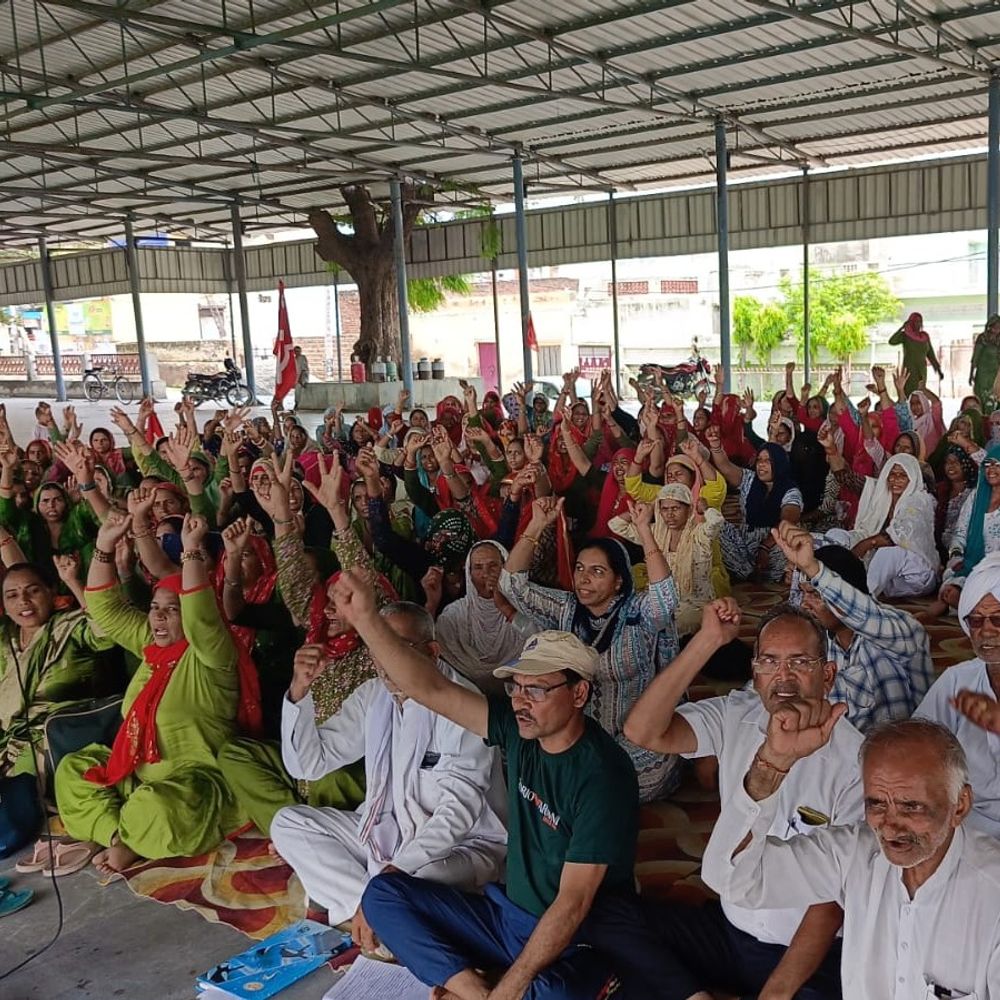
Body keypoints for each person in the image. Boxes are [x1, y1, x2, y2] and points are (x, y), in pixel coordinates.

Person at [328, 579, 638, 1000]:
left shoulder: (602, 776)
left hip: (576, 938)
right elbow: (430, 688)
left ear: (579, 692)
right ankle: (470, 988)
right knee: (383, 894)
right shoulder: (520, 732)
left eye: (537, 689)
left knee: (552, 992)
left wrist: (512, 984)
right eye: (516, 688)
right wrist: (366, 620)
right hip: (509, 918)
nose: (521, 701)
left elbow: (573, 904)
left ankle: (494, 984)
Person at [621, 600, 863, 1000]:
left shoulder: (855, 760)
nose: (783, 677)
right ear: (755, 673)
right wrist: (706, 640)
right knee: (611, 916)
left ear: (828, 674)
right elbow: (642, 730)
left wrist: (777, 990)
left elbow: (832, 900)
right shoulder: (736, 713)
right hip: (731, 929)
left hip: (805, 957)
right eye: (769, 662)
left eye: (799, 662)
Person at [702, 710, 1000, 998]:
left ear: (959, 805)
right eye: (876, 804)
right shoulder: (856, 853)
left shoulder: (993, 895)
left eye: (912, 806)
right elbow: (734, 877)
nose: (890, 824)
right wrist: (770, 767)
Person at [270, 602, 507, 937]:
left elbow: (459, 812)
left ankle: (377, 914)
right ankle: (382, 918)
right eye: (380, 648)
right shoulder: (374, 696)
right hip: (387, 832)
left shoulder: (462, 703)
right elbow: (309, 763)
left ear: (433, 651)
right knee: (288, 824)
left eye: (401, 648)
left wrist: (394, 871)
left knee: (422, 876)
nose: (387, 661)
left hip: (459, 846)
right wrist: (300, 690)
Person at [55, 511, 256, 875]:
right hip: (135, 772)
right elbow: (104, 606)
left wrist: (192, 551)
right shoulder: (152, 645)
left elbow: (201, 617)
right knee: (72, 770)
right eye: (154, 609)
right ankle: (121, 835)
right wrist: (103, 545)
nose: (159, 619)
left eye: (171, 611)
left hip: (193, 783)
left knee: (160, 809)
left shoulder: (213, 653)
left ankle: (126, 835)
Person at [501, 497, 682, 801]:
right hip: (576, 736)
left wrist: (644, 530)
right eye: (580, 568)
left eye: (598, 572)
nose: (583, 578)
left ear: (619, 581)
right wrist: (536, 524)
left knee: (603, 782)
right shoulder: (566, 608)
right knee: (521, 757)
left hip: (634, 739)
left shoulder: (638, 613)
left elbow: (665, 599)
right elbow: (512, 586)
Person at [0, 560, 117, 858]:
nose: (23, 602)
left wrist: (74, 581)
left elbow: (106, 631)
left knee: (16, 801)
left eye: (32, 590)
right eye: (12, 595)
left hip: (50, 744)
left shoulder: (69, 625)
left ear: (52, 591)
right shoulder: (7, 641)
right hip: (8, 742)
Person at [777, 524, 934, 731]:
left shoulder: (901, 630)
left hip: (902, 753)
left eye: (814, 594)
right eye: (804, 594)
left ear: (844, 592)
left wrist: (814, 569)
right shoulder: (822, 640)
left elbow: (861, 613)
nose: (805, 604)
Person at [914, 553, 1000, 837]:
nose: (986, 631)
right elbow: (919, 739)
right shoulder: (958, 680)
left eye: (997, 620)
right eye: (975, 621)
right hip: (965, 823)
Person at [609, 483, 723, 636]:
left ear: (689, 510)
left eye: (676, 508)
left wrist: (705, 509)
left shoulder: (700, 534)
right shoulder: (654, 533)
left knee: (674, 624)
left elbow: (717, 521)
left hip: (695, 604)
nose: (669, 514)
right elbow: (616, 525)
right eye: (664, 509)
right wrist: (639, 512)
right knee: (628, 617)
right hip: (661, 603)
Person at [434, 540, 535, 697]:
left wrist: (506, 608)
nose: (486, 574)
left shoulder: (527, 608)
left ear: (505, 567)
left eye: (493, 566)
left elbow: (538, 640)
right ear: (469, 573)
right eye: (478, 567)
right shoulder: (453, 615)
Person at [707, 431, 803, 583]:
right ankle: (748, 572)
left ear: (779, 463)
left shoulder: (791, 491)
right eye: (759, 459)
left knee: (788, 549)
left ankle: (747, 572)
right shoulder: (750, 479)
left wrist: (765, 547)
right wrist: (715, 446)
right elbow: (724, 467)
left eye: (768, 460)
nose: (761, 464)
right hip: (746, 540)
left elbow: (787, 523)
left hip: (773, 542)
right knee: (715, 525)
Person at [840, 453, 939, 598]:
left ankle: (862, 599)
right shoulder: (883, 497)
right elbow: (846, 479)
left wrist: (866, 544)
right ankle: (828, 586)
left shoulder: (921, 500)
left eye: (903, 475)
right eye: (892, 474)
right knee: (839, 535)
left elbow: (900, 533)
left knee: (889, 552)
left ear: (912, 478)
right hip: (890, 582)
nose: (896, 479)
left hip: (917, 577)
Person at [888, 312, 942, 395]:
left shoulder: (925, 337)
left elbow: (931, 354)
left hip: (922, 371)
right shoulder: (905, 336)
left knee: (920, 394)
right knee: (909, 395)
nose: (918, 324)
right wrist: (901, 328)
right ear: (911, 322)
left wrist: (938, 370)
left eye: (920, 321)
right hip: (909, 371)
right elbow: (892, 341)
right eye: (916, 321)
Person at [970, 313, 1000, 411]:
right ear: (990, 326)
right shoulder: (982, 338)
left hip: (996, 373)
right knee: (982, 398)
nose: (997, 329)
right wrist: (971, 374)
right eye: (995, 326)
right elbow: (975, 357)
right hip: (983, 373)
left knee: (994, 398)